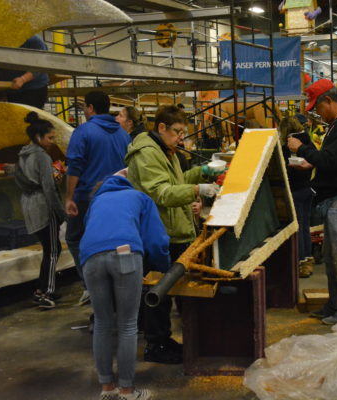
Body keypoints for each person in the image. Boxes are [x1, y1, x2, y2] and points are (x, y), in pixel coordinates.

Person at [125, 105, 222, 364]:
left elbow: (175, 183)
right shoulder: (147, 154)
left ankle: (168, 341)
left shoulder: (165, 151)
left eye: (184, 132)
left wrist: (201, 173)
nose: (182, 137)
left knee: (172, 291)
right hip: (159, 233)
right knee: (160, 292)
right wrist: (196, 189)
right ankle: (156, 345)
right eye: (177, 132)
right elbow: (162, 193)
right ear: (161, 128)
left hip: (174, 230)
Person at [80, 170, 170, 400]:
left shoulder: (97, 201)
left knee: (101, 323)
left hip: (90, 260)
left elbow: (90, 233)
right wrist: (162, 267)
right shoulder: (139, 197)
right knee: (128, 325)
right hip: (126, 255)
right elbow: (157, 240)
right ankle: (128, 391)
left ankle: (107, 390)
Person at [287, 79, 337, 325]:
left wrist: (302, 149)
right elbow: (334, 160)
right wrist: (316, 161)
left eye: (317, 108)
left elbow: (331, 161)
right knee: (334, 261)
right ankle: (335, 306)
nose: (316, 113)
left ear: (328, 101)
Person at [65, 91, 131, 303]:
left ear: (91, 108)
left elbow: (74, 167)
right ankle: (117, 290)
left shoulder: (83, 131)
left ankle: (91, 286)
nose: (84, 111)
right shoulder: (123, 135)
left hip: (88, 198)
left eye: (84, 107)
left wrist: (69, 197)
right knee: (114, 244)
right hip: (119, 198)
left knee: (76, 239)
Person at [15, 112, 66, 309]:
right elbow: (49, 188)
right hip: (44, 206)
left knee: (49, 249)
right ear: (38, 137)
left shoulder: (23, 154)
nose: (52, 142)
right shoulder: (42, 156)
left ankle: (39, 289)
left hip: (28, 204)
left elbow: (24, 181)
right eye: (50, 138)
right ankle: (47, 292)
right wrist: (61, 212)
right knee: (53, 250)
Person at [279, 115, 316, 278]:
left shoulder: (289, 144)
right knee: (305, 226)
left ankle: (301, 263)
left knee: (299, 228)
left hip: (295, 190)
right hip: (308, 188)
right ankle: (308, 258)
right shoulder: (308, 141)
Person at [0, 35, 50, 109]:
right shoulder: (4, 41)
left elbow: (39, 66)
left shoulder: (34, 41)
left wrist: (23, 79)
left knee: (30, 116)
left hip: (33, 89)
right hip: (12, 89)